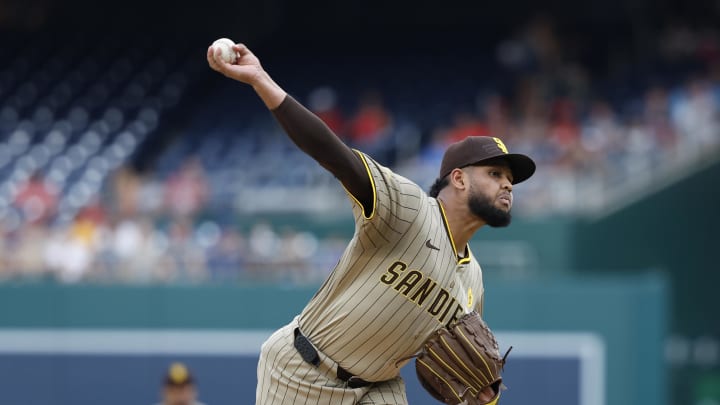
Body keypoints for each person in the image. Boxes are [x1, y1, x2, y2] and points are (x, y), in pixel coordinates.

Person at [207, 41, 536, 405]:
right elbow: (335, 155)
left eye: (510, 178)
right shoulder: (407, 209)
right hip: (301, 370)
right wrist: (261, 80)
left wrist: (482, 392)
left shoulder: (473, 278)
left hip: (378, 388)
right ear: (458, 179)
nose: (507, 183)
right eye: (494, 173)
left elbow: (463, 366)